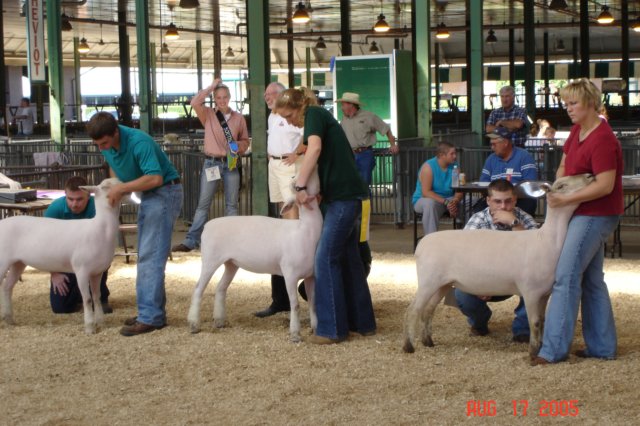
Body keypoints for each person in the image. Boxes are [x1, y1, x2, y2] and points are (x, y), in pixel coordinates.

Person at [532, 78, 623, 366]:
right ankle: (602, 346)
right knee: (593, 280)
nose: (568, 108)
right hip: (580, 211)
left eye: (573, 103)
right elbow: (564, 163)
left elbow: (606, 185)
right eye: (566, 103)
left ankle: (552, 350)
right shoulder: (577, 131)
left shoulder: (603, 139)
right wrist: (559, 186)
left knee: (566, 276)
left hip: (596, 212)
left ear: (591, 104)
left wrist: (565, 199)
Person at [274, 88, 376, 344]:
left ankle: (331, 329)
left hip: (342, 198)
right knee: (349, 258)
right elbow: (312, 148)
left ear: (300, 107)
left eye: (288, 115)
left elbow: (315, 148)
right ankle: (362, 323)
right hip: (345, 195)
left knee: (325, 259)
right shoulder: (317, 118)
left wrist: (299, 185)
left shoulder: (315, 114)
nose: (288, 121)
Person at [87, 112, 183, 336]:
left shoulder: (139, 141)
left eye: (104, 143)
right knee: (146, 253)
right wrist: (116, 184)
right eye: (97, 145)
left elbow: (155, 177)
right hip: (150, 195)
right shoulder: (109, 145)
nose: (102, 148)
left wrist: (121, 188)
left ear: (115, 132)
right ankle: (151, 312)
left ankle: (150, 317)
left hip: (164, 191)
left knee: (150, 255)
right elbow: (114, 166)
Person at [455, 179, 539, 343]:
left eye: (508, 201)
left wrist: (514, 223)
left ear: (515, 200)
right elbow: (463, 256)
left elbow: (535, 253)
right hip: (483, 280)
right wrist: (479, 283)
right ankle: (480, 322)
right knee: (461, 294)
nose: (503, 206)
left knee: (536, 281)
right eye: (497, 201)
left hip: (515, 281)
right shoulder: (477, 220)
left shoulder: (525, 219)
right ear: (488, 201)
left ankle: (522, 329)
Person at [172, 78, 250, 253]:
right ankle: (191, 240)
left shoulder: (239, 118)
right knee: (203, 203)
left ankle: (233, 240)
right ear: (215, 99)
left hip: (230, 164)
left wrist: (239, 146)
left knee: (231, 204)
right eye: (219, 97)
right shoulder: (207, 114)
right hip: (211, 163)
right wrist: (211, 87)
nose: (222, 100)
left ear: (230, 97)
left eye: (225, 97)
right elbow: (194, 102)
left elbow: (245, 140)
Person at [254, 82, 305, 318]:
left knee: (291, 213)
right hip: (274, 164)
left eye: (271, 94)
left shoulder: (294, 115)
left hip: (288, 164)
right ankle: (281, 298)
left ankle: (293, 248)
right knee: (280, 211)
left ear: (282, 96)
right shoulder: (272, 117)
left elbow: (308, 137)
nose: (267, 97)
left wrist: (298, 153)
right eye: (265, 95)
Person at [44, 176, 112, 314]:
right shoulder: (55, 209)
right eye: (70, 199)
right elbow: (45, 243)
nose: (74, 204)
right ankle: (82, 294)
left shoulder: (97, 207)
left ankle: (100, 297)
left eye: (79, 199)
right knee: (61, 308)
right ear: (65, 195)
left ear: (89, 195)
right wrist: (54, 273)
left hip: (93, 258)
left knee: (100, 258)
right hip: (63, 262)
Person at [335, 92, 398, 186]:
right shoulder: (344, 119)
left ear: (351, 105)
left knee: (364, 185)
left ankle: (366, 201)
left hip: (365, 155)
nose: (341, 108)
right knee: (351, 185)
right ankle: (356, 201)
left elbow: (386, 128)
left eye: (343, 105)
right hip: (349, 155)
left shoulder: (369, 116)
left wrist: (393, 145)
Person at [480, 127, 538, 216]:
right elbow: (483, 182)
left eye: (494, 144)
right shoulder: (491, 159)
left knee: (527, 204)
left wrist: (508, 196)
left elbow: (530, 184)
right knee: (478, 208)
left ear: (505, 143)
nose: (492, 147)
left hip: (519, 200)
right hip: (496, 200)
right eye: (491, 144)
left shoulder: (524, 156)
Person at [412, 142, 463, 236]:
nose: (455, 156)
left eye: (455, 153)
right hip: (427, 200)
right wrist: (447, 202)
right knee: (429, 204)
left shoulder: (455, 166)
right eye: (452, 154)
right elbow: (426, 192)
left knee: (472, 200)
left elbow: (459, 189)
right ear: (441, 155)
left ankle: (468, 236)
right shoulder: (428, 167)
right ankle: (431, 240)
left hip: (449, 199)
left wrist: (455, 201)